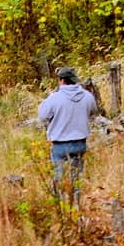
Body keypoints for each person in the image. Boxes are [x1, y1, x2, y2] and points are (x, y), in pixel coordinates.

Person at [38, 66, 102, 210]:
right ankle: (76, 207)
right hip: (80, 143)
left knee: (59, 180)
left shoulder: (54, 98)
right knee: (76, 180)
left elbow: (42, 116)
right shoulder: (87, 96)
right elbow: (93, 111)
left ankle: (61, 209)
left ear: (61, 80)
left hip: (60, 145)